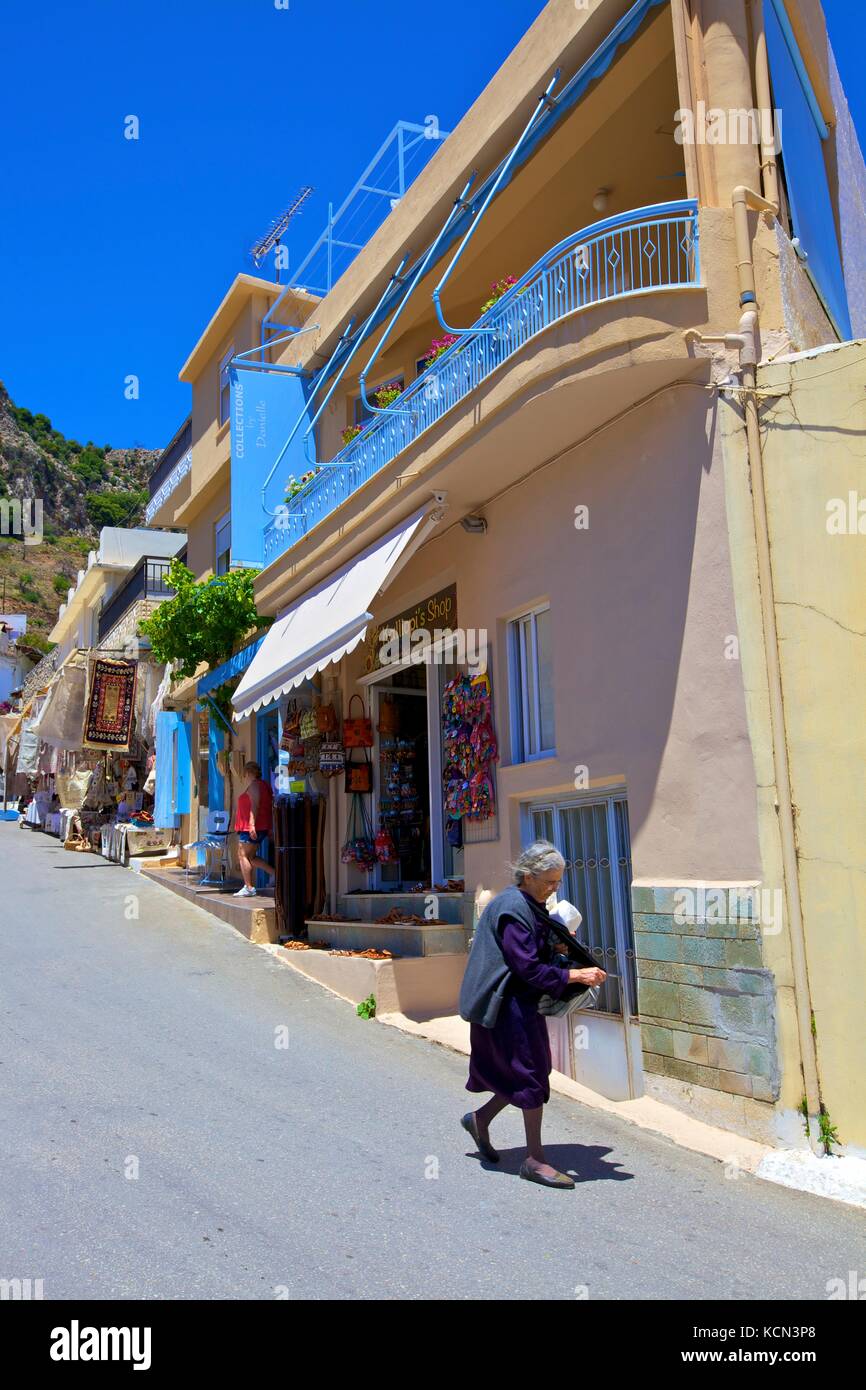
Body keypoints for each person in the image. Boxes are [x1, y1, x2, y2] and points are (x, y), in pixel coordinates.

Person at [458, 840, 607, 1189]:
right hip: (506, 1005)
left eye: (558, 882)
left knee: (524, 1074)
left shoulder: (529, 902)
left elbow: (531, 952)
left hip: (517, 1003)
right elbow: (527, 968)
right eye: (549, 882)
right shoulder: (513, 907)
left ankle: (480, 1120)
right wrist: (576, 975)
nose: (554, 888)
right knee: (531, 1076)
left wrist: (556, 943)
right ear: (527, 876)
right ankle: (534, 1160)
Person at [233, 760, 275, 898]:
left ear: (249, 772)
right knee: (250, 857)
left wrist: (251, 825)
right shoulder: (264, 785)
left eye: (245, 774)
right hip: (259, 826)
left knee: (242, 855)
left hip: (251, 827)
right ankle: (275, 874)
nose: (244, 777)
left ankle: (249, 887)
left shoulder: (255, 786)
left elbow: (255, 805)